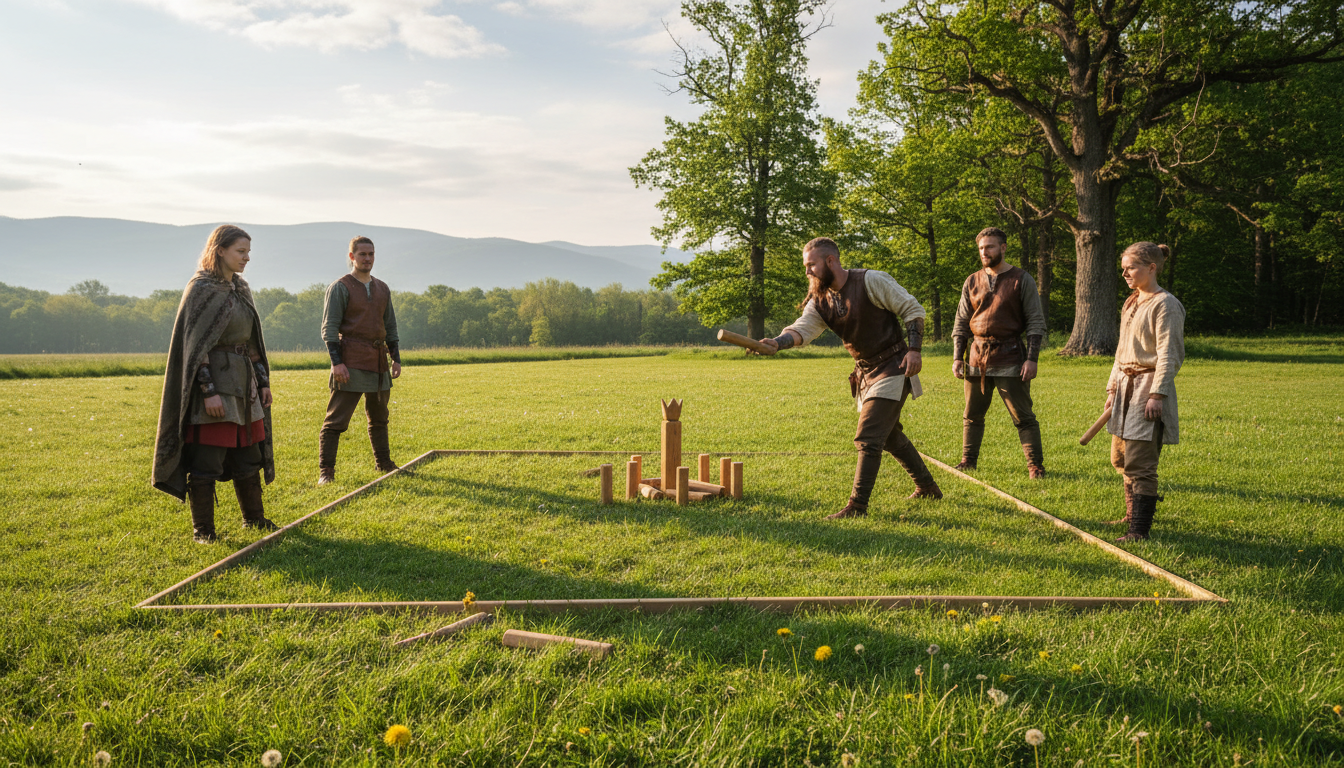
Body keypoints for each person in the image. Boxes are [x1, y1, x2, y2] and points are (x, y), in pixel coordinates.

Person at [758, 237, 941, 519]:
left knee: (869, 436)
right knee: (889, 435)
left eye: (811, 265)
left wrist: (915, 350)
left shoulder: (871, 281)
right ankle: (927, 487)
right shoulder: (819, 300)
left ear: (830, 261)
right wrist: (777, 343)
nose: (807, 272)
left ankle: (857, 506)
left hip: (894, 366)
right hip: (865, 373)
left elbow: (913, 310)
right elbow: (802, 330)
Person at [153, 224, 277, 542]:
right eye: (240, 251)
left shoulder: (240, 289)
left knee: (248, 455)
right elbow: (196, 348)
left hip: (245, 386)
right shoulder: (201, 289)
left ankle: (254, 519)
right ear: (220, 250)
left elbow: (252, 343)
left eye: (248, 252)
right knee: (207, 458)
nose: (246, 258)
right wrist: (208, 391)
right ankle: (203, 531)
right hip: (213, 388)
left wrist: (263, 383)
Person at [1104, 241, 1186, 542]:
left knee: (1141, 462)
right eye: (1123, 269)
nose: (1125, 274)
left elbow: (1169, 354)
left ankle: (1139, 530)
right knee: (1121, 458)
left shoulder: (1166, 304)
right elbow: (1121, 351)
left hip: (1146, 389)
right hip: (1124, 388)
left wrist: (1157, 394)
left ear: (1152, 268)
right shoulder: (1131, 301)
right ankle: (1130, 515)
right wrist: (1112, 388)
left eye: (1131, 268)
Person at [950, 227, 1048, 477]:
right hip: (976, 356)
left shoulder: (1021, 279)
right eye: (981, 248)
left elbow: (1035, 322)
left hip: (1010, 356)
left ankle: (1035, 465)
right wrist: (957, 357)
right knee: (972, 415)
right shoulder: (972, 281)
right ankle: (968, 460)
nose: (984, 252)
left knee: (1023, 416)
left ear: (1003, 248)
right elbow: (961, 322)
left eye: (990, 247)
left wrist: (1031, 359)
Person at [317, 236, 402, 484]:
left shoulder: (382, 288)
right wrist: (337, 363)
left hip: (378, 361)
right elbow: (329, 329)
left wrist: (395, 358)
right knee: (336, 420)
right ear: (352, 256)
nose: (367, 258)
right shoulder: (340, 287)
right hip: (350, 360)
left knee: (379, 417)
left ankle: (384, 463)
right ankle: (326, 472)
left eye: (371, 254)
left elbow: (390, 326)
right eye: (362, 254)